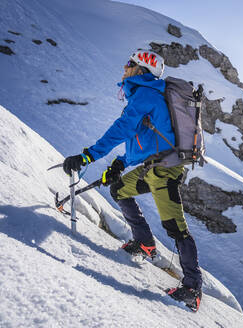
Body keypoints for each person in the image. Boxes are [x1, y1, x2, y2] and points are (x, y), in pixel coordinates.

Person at [63, 49, 202, 310]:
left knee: (175, 227)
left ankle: (193, 289)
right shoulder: (147, 94)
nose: (124, 67)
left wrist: (87, 156)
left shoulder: (147, 94)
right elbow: (145, 140)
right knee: (119, 189)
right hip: (153, 166)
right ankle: (145, 243)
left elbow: (122, 129)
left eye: (130, 63)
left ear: (141, 69)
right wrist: (121, 163)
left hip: (164, 171)